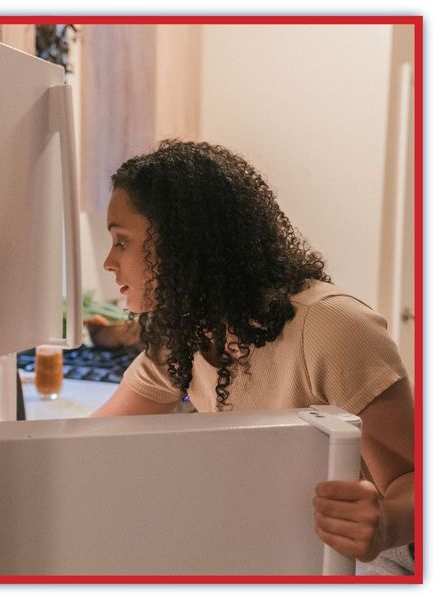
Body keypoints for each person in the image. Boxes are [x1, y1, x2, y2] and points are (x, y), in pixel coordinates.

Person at [91, 139, 414, 574]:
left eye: (121, 241)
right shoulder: (182, 332)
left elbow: (415, 482)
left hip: (380, 559)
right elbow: (96, 440)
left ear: (183, 244)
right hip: (282, 546)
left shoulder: (331, 327)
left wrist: (388, 523)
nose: (110, 262)